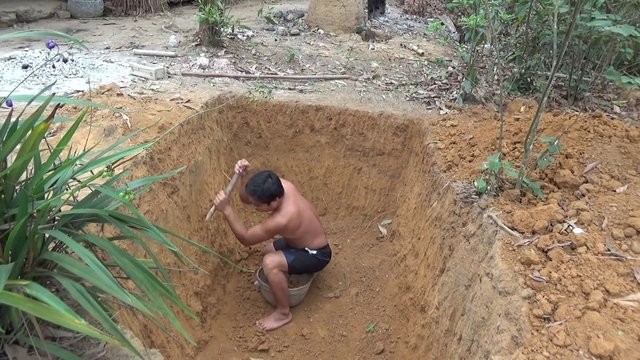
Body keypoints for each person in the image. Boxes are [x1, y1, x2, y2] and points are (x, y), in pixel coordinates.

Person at [213, 159, 332, 331]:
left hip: (317, 254)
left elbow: (246, 239)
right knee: (267, 250)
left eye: (257, 206)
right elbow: (247, 198)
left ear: (273, 202)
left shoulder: (283, 219)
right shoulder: (282, 186)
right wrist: (242, 178)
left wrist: (227, 210)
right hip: (300, 241)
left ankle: (283, 313)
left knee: (270, 263)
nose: (254, 208)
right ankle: (285, 277)